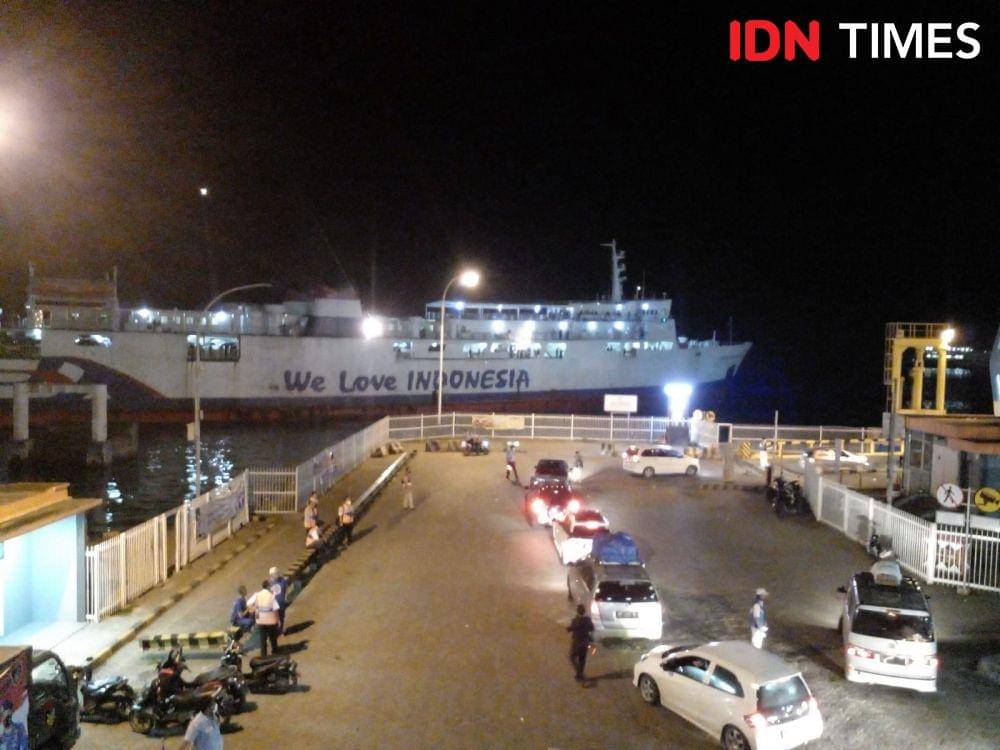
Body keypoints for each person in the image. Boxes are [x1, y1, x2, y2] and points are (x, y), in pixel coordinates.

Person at [246, 578, 281, 657]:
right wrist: (278, 620)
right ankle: (275, 652)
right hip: (271, 620)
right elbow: (275, 609)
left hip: (260, 620)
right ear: (268, 587)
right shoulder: (271, 596)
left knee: (263, 639)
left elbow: (248, 603)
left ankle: (264, 655)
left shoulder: (257, 594)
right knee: (273, 637)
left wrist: (255, 609)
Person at [566, 604, 595, 681]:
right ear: (584, 611)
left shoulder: (575, 620)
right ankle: (580, 674)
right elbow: (592, 628)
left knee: (572, 657)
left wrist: (568, 628)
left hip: (577, 642)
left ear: (577, 611)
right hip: (585, 642)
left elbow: (570, 628)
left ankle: (579, 673)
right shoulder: (588, 620)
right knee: (582, 659)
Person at [269, 566, 289, 635]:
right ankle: (275, 631)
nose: (277, 575)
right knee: (275, 618)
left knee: (281, 617)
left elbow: (286, 589)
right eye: (275, 573)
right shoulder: (269, 583)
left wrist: (285, 597)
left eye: (277, 573)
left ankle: (281, 630)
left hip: (281, 602)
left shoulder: (282, 580)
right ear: (271, 575)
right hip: (274, 603)